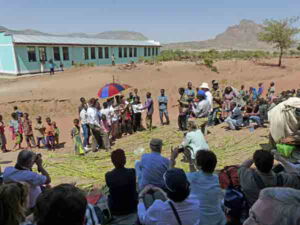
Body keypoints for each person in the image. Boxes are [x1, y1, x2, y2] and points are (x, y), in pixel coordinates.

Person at [171, 150, 226, 225]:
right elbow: (196, 175)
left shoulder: (190, 177)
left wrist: (172, 158)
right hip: (219, 220)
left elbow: (170, 176)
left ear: (199, 165)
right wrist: (190, 160)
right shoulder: (218, 179)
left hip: (200, 222)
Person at [105, 149, 138, 216]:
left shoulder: (108, 175)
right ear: (124, 160)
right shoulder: (132, 172)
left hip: (116, 210)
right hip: (132, 206)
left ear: (112, 162)